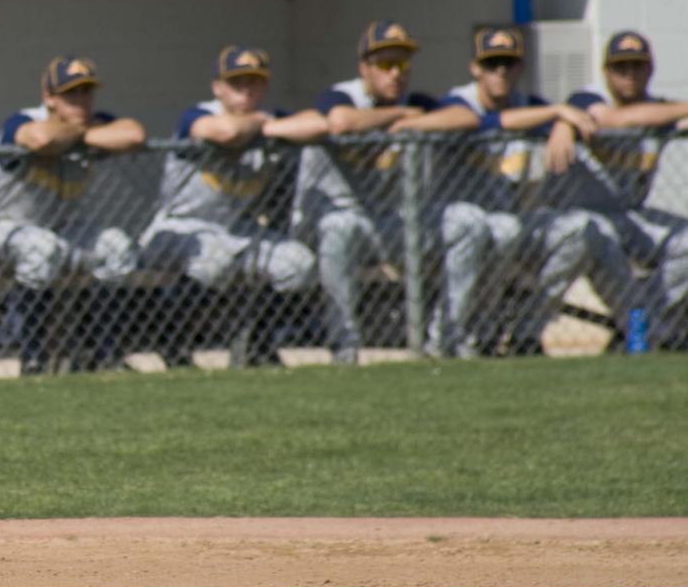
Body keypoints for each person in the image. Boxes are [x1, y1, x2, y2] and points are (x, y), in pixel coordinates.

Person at [390, 26, 630, 357]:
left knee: (581, 229)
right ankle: (453, 338)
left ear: (520, 68)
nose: (500, 71)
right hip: (452, 226)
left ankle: (526, 332)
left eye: (508, 63)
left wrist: (563, 123)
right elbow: (478, 121)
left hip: (512, 222)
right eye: (491, 63)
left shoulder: (528, 104)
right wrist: (555, 113)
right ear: (475, 68)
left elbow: (572, 117)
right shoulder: (459, 101)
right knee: (495, 229)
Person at [140, 46, 323, 367]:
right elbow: (224, 132)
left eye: (254, 83)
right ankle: (171, 341)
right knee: (214, 258)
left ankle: (255, 341)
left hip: (237, 230)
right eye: (236, 84)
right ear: (218, 88)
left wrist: (263, 125)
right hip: (179, 227)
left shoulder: (264, 118)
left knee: (298, 263)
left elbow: (317, 125)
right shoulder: (198, 114)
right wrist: (267, 126)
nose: (246, 91)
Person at [0, 56, 146, 374]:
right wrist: (85, 134)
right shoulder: (21, 120)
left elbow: (134, 134)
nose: (81, 100)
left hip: (62, 230)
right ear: (49, 97)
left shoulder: (93, 122)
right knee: (40, 248)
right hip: (1, 232)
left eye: (86, 92)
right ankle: (33, 358)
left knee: (116, 245)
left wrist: (79, 133)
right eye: (71, 93)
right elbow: (41, 139)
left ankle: (107, 355)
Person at [293, 22, 439, 364]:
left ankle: (449, 341)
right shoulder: (343, 95)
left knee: (467, 223)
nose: (395, 74)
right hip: (330, 221)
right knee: (339, 229)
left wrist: (414, 121)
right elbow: (340, 121)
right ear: (364, 69)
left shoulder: (416, 102)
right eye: (386, 65)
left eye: (402, 65)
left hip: (386, 223)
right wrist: (402, 115)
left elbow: (465, 117)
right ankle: (344, 345)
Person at [550, 31, 688, 348]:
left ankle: (644, 322)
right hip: (586, 216)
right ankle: (641, 328)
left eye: (637, 66)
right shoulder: (586, 99)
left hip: (633, 217)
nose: (629, 74)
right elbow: (614, 119)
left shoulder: (660, 110)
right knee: (602, 240)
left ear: (650, 70)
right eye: (620, 67)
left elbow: (663, 117)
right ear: (606, 71)